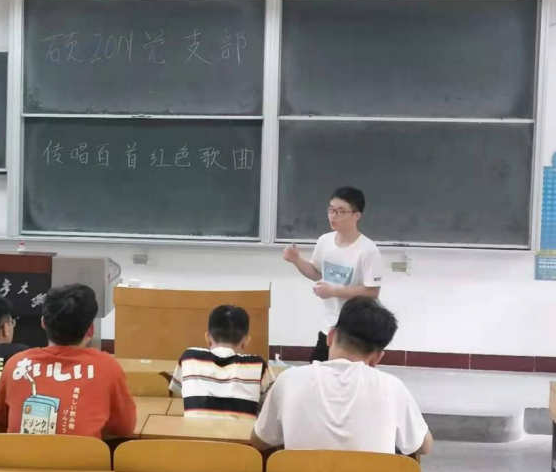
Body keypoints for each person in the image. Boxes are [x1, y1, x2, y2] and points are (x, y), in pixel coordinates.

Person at [251, 297, 432, 457]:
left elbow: (259, 440)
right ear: (377, 358)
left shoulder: (289, 380)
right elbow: (424, 446)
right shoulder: (392, 387)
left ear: (330, 336)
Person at [0, 283, 136, 438]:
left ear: (43, 323)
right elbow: (124, 427)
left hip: (20, 454)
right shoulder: (107, 367)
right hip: (82, 454)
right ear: (90, 330)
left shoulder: (17, 365)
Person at [283, 186, 384, 362]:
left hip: (354, 330)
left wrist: (334, 291)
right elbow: (316, 273)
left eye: (341, 211)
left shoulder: (368, 250)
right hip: (328, 325)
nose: (333, 216)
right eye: (331, 210)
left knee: (347, 375)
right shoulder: (325, 241)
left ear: (356, 215)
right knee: (317, 371)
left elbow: (372, 291)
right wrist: (296, 260)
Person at [169, 305, 274, 419]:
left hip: (195, 430)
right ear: (245, 342)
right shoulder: (259, 366)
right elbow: (271, 404)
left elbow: (178, 392)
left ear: (208, 338)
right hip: (242, 431)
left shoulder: (189, 358)